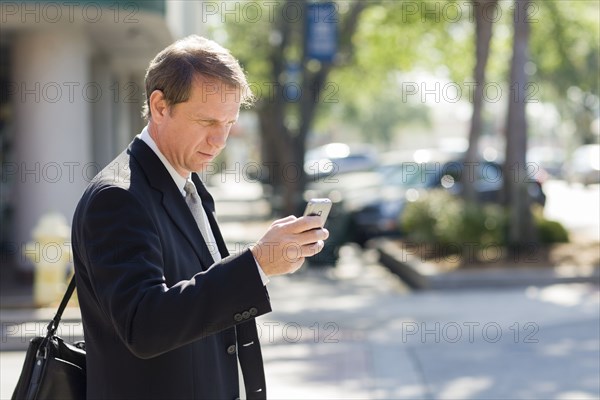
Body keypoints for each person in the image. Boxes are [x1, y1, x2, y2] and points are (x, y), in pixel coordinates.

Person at [71, 35, 329, 400]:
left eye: (229, 123)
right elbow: (143, 325)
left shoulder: (186, 184)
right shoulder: (118, 198)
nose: (220, 139)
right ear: (160, 106)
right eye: (207, 121)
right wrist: (257, 265)